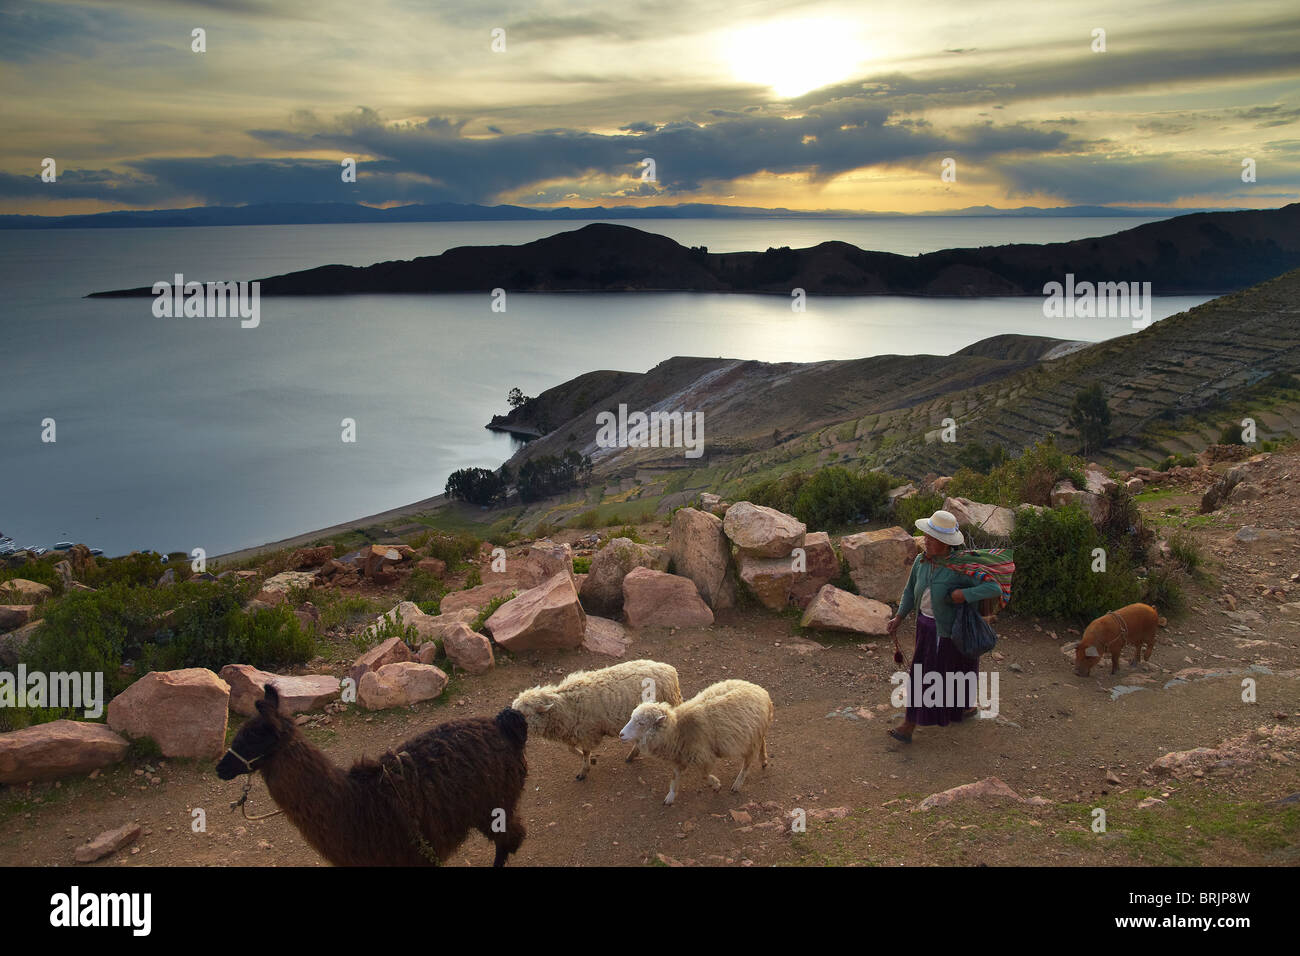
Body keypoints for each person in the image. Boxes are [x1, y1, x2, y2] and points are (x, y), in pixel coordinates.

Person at [885, 509, 1003, 744]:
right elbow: (910, 591)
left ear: (946, 543)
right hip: (925, 628)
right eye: (926, 536)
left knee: (934, 674)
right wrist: (898, 617)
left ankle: (909, 725)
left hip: (950, 631)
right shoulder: (921, 561)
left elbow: (994, 589)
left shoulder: (961, 566)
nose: (925, 541)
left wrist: (964, 594)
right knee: (946, 671)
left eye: (931, 538)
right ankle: (965, 707)